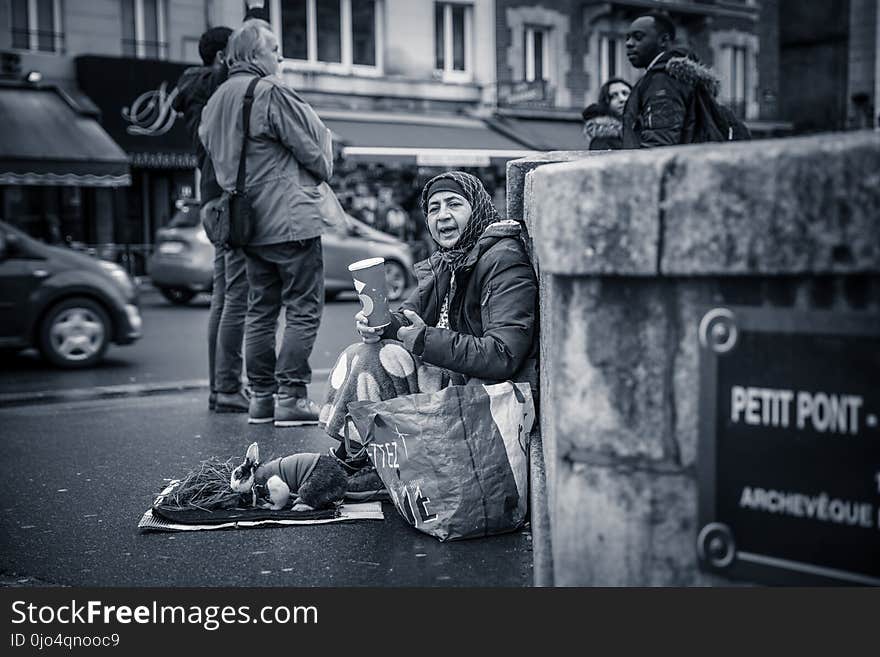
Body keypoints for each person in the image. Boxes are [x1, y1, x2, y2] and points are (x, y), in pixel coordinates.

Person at [318, 171, 538, 484]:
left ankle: (353, 459)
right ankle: (359, 454)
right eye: (433, 208)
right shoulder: (448, 261)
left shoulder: (503, 260)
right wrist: (378, 325)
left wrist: (423, 339)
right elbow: (407, 319)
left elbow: (503, 355)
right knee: (366, 349)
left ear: (476, 209)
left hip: (485, 396)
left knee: (375, 360)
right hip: (454, 379)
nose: (442, 215)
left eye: (454, 204)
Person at [199, 20, 334, 426]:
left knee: (260, 311)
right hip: (289, 217)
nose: (280, 56)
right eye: (274, 48)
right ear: (254, 55)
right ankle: (291, 397)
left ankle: (261, 399)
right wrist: (324, 163)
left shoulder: (217, 98)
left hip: (248, 224)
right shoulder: (269, 91)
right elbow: (313, 152)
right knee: (303, 308)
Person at [174, 26, 251, 414]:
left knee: (223, 298)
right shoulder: (215, 86)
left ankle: (220, 387)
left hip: (210, 196)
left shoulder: (194, 88)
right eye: (236, 54)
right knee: (234, 297)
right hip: (224, 196)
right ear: (223, 57)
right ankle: (226, 388)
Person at [622, 12, 719, 149]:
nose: (629, 44)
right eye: (627, 38)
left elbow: (659, 146)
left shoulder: (663, 80)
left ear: (663, 40)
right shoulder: (665, 77)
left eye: (638, 37)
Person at [582, 78, 632, 150]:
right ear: (606, 103)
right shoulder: (602, 140)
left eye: (625, 93)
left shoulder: (645, 129)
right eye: (614, 96)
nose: (622, 99)